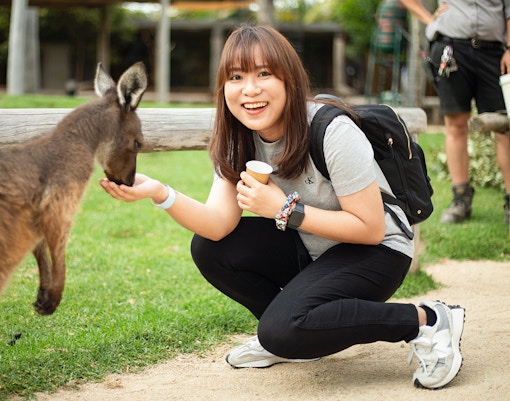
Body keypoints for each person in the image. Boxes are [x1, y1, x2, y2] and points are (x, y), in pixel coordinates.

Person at [100, 24, 465, 390]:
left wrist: (286, 211)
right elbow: (216, 225)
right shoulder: (236, 137)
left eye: (264, 74)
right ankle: (298, 337)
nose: (250, 89)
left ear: (289, 80)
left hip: (378, 252)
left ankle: (428, 320)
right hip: (314, 247)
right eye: (236, 76)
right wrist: (160, 192)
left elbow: (370, 228)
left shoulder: (330, 129)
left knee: (280, 329)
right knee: (209, 248)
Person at [401, 0, 510, 223]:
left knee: (504, 126)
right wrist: (429, 19)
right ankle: (461, 199)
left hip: (496, 54)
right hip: (451, 50)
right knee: (456, 125)